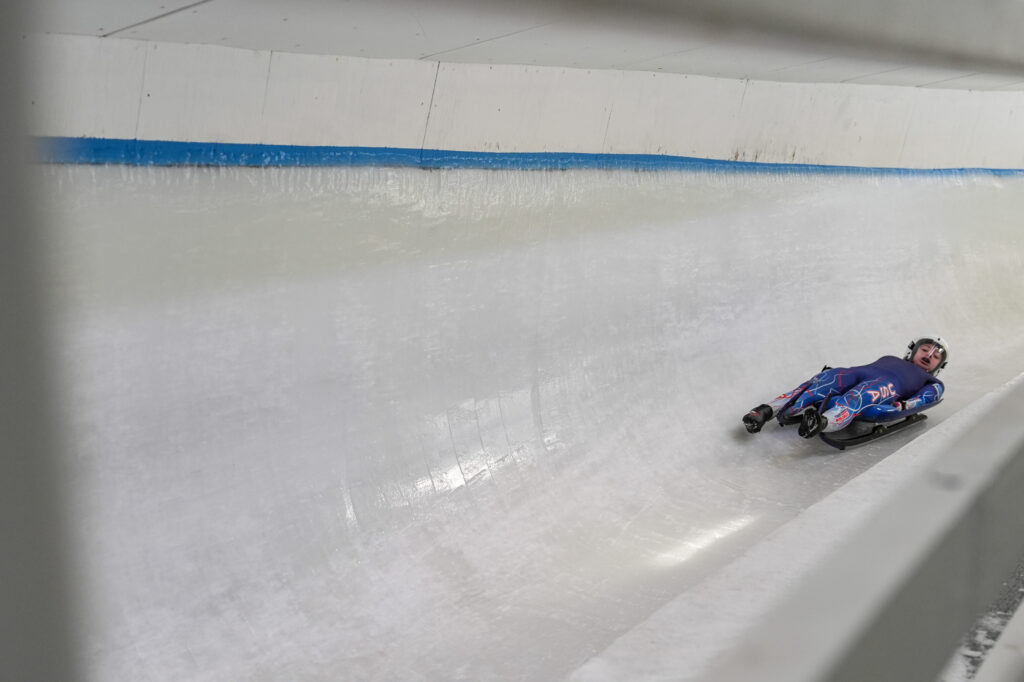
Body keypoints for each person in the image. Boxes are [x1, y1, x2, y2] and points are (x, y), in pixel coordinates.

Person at [742, 336, 948, 439]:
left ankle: (822, 422)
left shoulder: (932, 382)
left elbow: (926, 397)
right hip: (857, 372)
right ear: (913, 350)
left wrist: (905, 406)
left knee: (859, 396)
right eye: (925, 349)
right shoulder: (891, 357)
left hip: (886, 386)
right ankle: (766, 411)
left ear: (939, 366)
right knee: (824, 380)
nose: (928, 356)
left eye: (935, 356)